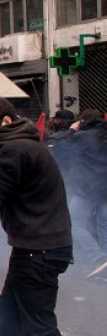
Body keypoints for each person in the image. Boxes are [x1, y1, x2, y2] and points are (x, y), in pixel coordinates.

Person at [0, 96, 73, 336]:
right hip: (34, 248)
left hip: (39, 251)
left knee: (39, 331)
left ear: (5, 120)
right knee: (10, 317)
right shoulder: (22, 143)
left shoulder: (14, 149)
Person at [57, 109, 107, 274]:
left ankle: (97, 257)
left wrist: (72, 129)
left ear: (82, 122)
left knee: (73, 222)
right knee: (104, 226)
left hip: (86, 189)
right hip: (103, 189)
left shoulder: (81, 137)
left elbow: (59, 145)